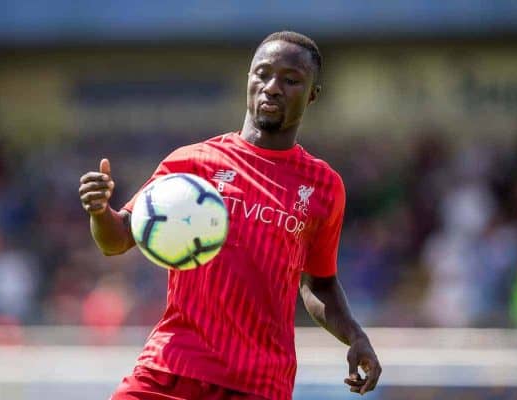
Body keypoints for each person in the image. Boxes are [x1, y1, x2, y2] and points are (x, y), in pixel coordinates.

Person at [79, 31, 381, 400]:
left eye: (290, 80)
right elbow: (117, 239)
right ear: (248, 79)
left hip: (259, 384)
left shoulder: (323, 187)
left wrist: (356, 336)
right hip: (171, 369)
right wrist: (100, 212)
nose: (272, 87)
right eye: (263, 73)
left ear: (313, 94)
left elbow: (319, 285)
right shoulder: (192, 164)